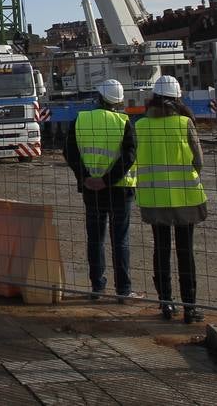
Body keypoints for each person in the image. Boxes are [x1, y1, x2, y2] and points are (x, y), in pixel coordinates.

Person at [135, 75, 208, 323]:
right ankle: (190, 307)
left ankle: (166, 303)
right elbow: (198, 161)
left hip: (154, 198)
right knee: (186, 252)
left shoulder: (141, 125)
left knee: (161, 249)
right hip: (185, 197)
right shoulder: (184, 123)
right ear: (177, 97)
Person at [65, 79, 139, 303]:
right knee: (121, 240)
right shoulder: (124, 122)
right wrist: (107, 180)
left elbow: (69, 150)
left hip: (92, 191)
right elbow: (129, 155)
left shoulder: (81, 119)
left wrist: (86, 177)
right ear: (118, 101)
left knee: (95, 239)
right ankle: (123, 291)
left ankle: (97, 286)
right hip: (120, 190)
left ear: (99, 97)